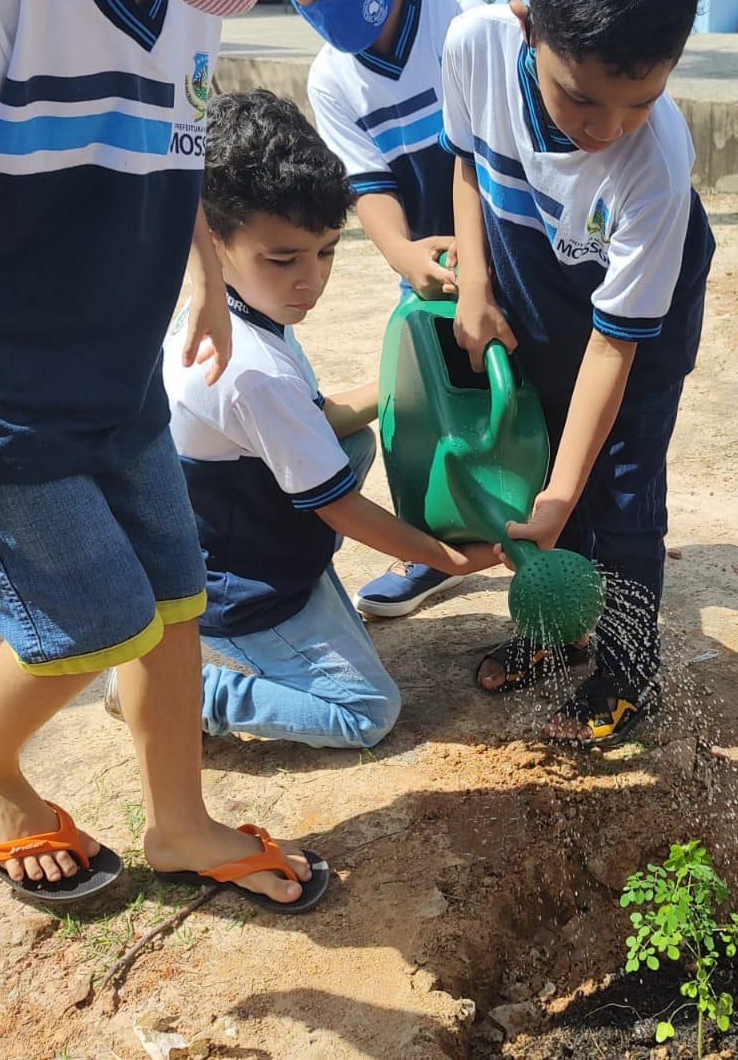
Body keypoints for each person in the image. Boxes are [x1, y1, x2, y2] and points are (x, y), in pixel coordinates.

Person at [0, 0, 378, 910]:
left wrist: (206, 279)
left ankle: (179, 821)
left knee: (174, 597)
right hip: (9, 401)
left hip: (120, 378)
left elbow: (180, 141)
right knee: (89, 626)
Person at [442, 0, 715, 745]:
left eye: (643, 99)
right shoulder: (475, 47)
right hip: (533, 283)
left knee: (618, 494)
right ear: (527, 25)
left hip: (636, 334)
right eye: (582, 96)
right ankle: (556, 629)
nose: (607, 129)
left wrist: (567, 492)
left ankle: (631, 676)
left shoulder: (654, 164)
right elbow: (465, 162)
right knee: (542, 462)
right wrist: (476, 282)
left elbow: (614, 348)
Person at [159, 89, 498, 748]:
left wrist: (420, 376)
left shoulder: (237, 309)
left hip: (238, 526)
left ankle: (300, 580)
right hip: (243, 589)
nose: (310, 281)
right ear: (213, 240)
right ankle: (179, 691)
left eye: (327, 252)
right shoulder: (250, 370)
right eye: (283, 259)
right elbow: (339, 507)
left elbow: (313, 419)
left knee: (353, 441)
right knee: (367, 712)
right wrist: (448, 559)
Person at [274, 0, 482, 622]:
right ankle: (432, 546)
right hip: (423, 274)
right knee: (422, 414)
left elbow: (494, 155)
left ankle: (539, 535)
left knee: (515, 398)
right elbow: (371, 186)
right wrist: (404, 255)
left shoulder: (463, 21)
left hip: (503, 257)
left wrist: (480, 260)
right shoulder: (332, 79)